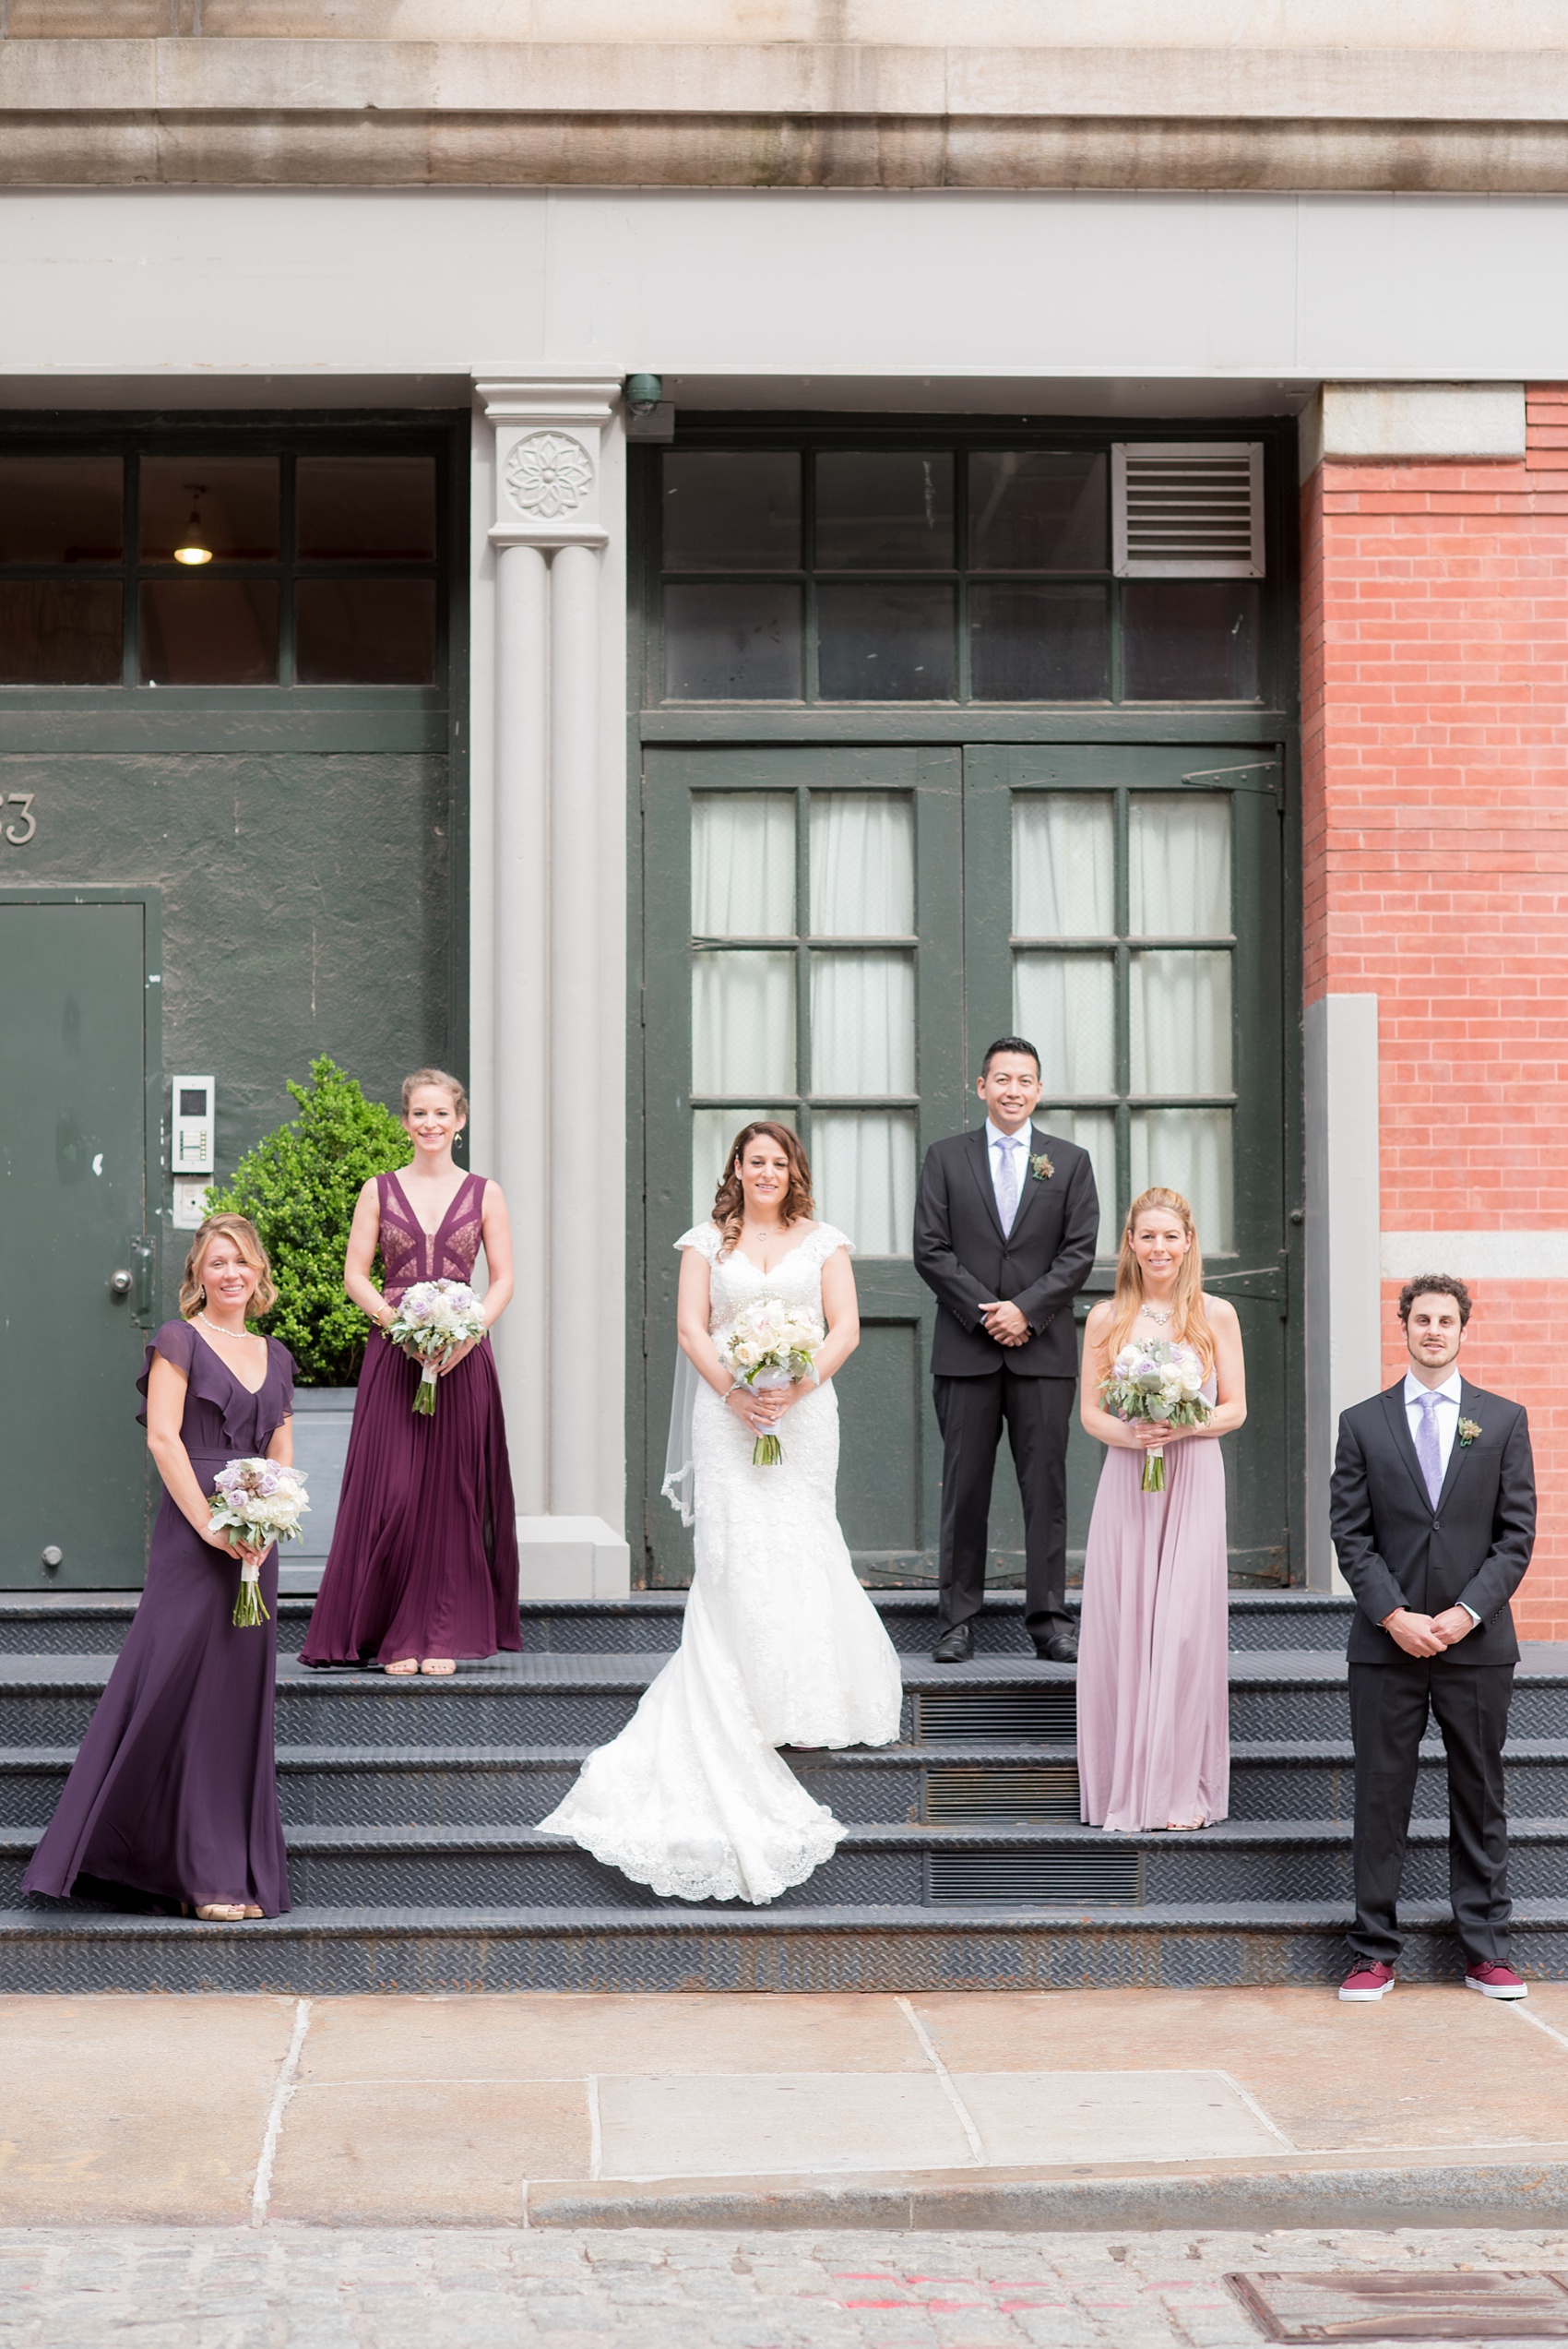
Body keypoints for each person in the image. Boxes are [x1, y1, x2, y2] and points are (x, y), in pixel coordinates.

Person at [540, 1122, 902, 1903]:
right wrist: (738, 1394)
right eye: (755, 1161)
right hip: (727, 1411)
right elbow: (691, 1329)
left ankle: (802, 1698)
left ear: (792, 1170)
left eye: (779, 1162)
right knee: (736, 1549)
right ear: (736, 1167)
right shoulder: (704, 1240)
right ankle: (744, 1691)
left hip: (803, 1416)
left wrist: (794, 1388)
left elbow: (844, 1328)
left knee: (802, 1540)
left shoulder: (823, 1241)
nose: (767, 1172)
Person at [23, 1214, 293, 1921]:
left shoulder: (278, 1354)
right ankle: (188, 1873)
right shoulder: (178, 1340)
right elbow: (167, 1440)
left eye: (241, 1262)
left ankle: (226, 1868)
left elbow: (281, 1448)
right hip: (195, 1531)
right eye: (215, 1263)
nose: (229, 1274)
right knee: (176, 1689)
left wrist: (270, 1524)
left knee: (235, 1706)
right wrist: (213, 1525)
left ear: (259, 1273)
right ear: (197, 1276)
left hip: (256, 1545)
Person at [1331, 1275, 1536, 2002]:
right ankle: (1372, 1953)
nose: (1434, 1331)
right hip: (1386, 1646)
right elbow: (1350, 1535)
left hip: (1476, 1646)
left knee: (1479, 1796)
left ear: (1463, 1330)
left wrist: (1465, 1613)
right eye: (1422, 1319)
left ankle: (1485, 1952)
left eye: (1447, 1321)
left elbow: (1516, 1537)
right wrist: (1394, 1615)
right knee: (1381, 1798)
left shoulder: (1503, 1422)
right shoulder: (1362, 1423)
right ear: (1404, 1326)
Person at [301, 1068, 521, 1676]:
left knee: (453, 1496)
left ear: (460, 1121)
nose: (430, 1124)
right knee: (393, 1493)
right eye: (419, 1114)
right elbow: (354, 1275)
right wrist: (397, 1323)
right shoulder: (378, 1190)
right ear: (405, 1123)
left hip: (462, 1358)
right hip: (394, 1356)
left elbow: (502, 1279)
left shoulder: (486, 1193)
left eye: (441, 1114)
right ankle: (393, 1635)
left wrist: (468, 1331)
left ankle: (441, 1635)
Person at [912, 1036, 1099, 1663]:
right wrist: (988, 1313)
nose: (1013, 1090)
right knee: (964, 1489)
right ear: (981, 1087)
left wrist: (1028, 1311)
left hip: (1043, 1353)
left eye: (1025, 1080)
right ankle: (957, 1620)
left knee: (1046, 1490)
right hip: (966, 1351)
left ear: (1039, 1090)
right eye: (1002, 1079)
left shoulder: (1069, 1163)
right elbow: (930, 1249)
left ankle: (1049, 1620)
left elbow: (1078, 1253)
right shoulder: (944, 1158)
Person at [1075, 1188, 1245, 1833]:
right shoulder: (1105, 1318)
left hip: (1193, 1474)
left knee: (1182, 1627)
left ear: (1188, 1242)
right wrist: (1135, 1435)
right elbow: (1092, 1413)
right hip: (1130, 1478)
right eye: (1147, 1237)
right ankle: (1125, 1787)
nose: (1159, 1249)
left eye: (1170, 1237)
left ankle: (1178, 1789)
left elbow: (1234, 1408)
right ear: (1130, 1243)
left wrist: (1183, 1422)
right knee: (1126, 1623)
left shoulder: (1215, 1315)